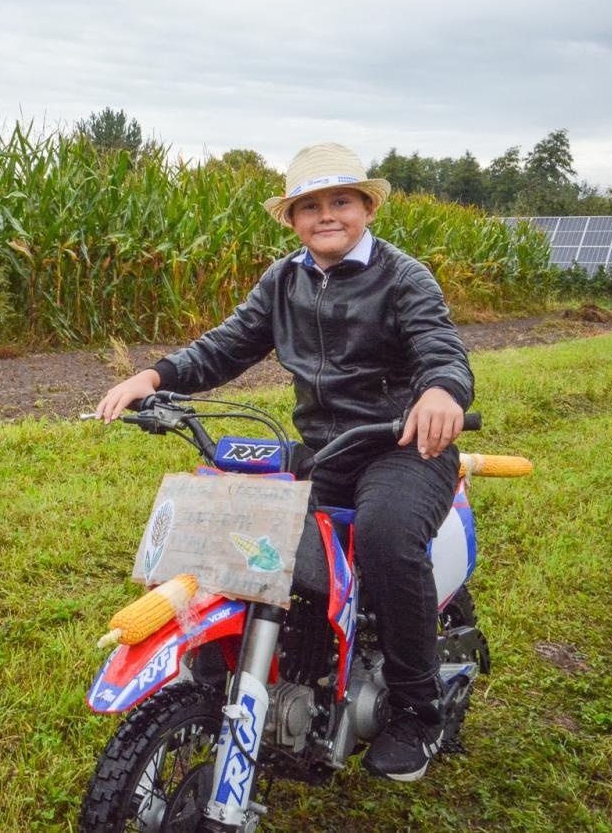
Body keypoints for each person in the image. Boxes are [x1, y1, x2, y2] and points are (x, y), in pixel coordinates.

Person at [94, 141, 474, 783]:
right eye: (311, 206)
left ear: (367, 208)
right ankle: (243, 673)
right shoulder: (283, 281)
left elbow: (440, 345)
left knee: (384, 533)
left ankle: (415, 710)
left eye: (341, 201)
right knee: (238, 536)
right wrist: (155, 376)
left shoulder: (404, 277)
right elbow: (226, 345)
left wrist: (441, 391)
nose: (327, 215)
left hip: (404, 447)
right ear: (294, 219)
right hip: (323, 450)